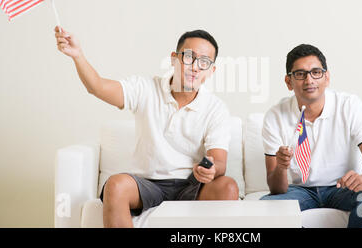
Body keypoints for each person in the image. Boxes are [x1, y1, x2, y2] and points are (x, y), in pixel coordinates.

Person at [54, 26, 239, 227]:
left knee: (227, 186)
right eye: (188, 57)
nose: (195, 67)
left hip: (191, 184)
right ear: (174, 59)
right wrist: (77, 55)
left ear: (211, 71)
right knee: (115, 186)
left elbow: (219, 161)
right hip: (148, 184)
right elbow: (96, 86)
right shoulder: (146, 89)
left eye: (204, 62)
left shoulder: (216, 108)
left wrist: (211, 170)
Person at [260, 44, 362, 228]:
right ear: (289, 82)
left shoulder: (349, 106)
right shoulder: (275, 116)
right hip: (300, 191)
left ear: (326, 77)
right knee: (265, 207)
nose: (309, 80)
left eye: (316, 72)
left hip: (343, 189)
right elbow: (276, 189)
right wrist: (280, 168)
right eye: (300, 74)